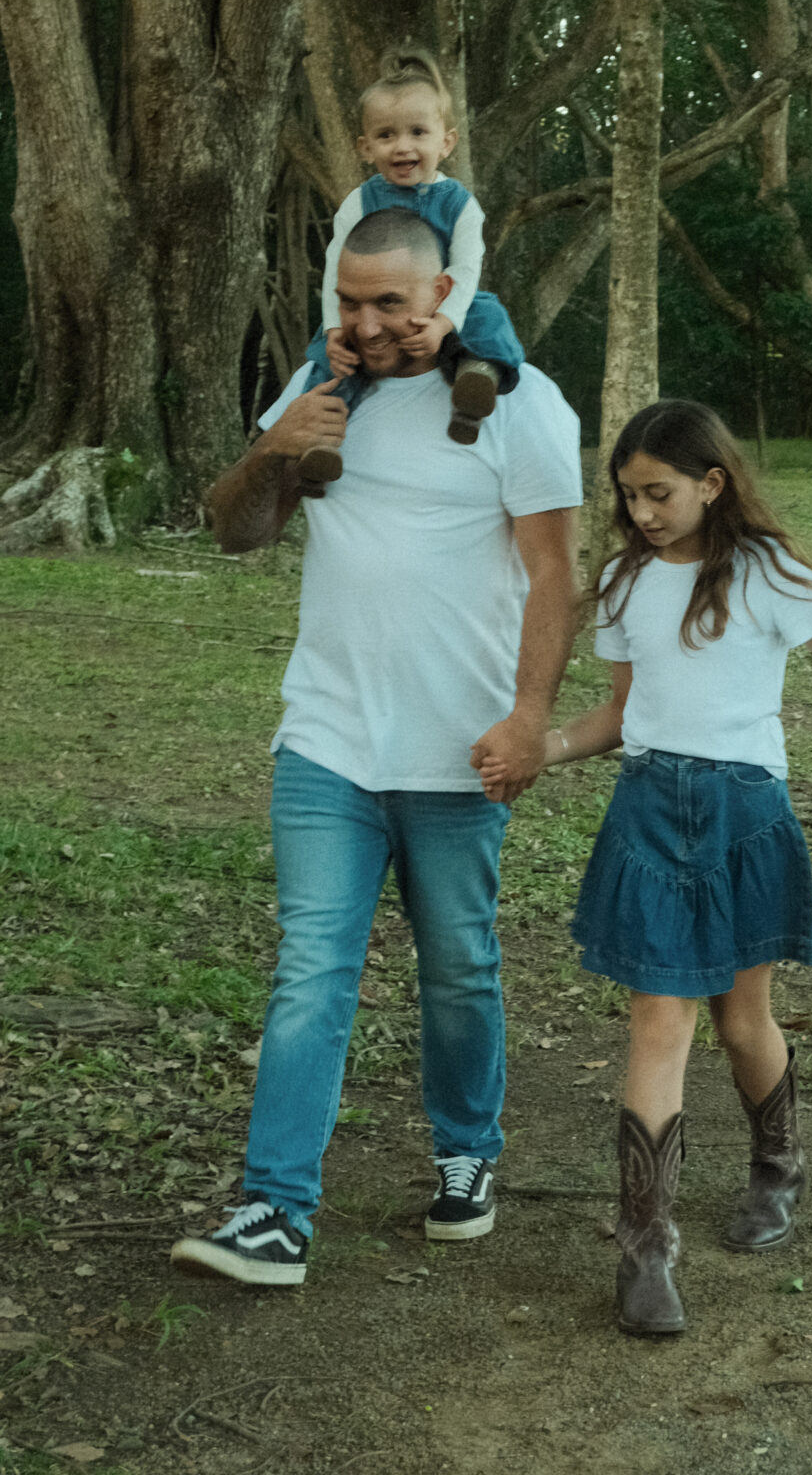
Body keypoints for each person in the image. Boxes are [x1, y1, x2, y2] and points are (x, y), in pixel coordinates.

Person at [495, 398, 812, 1338]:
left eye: (660, 492)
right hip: (649, 812)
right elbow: (620, 714)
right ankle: (646, 1248)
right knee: (659, 1022)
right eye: (629, 495)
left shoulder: (769, 572)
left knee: (740, 1019)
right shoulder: (622, 581)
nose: (642, 511)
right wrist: (542, 748)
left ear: (712, 483)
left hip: (743, 816)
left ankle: (778, 1164)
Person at [170, 207, 581, 1288]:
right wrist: (273, 447)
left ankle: (466, 1153)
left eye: (389, 302)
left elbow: (555, 573)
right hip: (327, 740)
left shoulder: (518, 402)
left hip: (458, 748)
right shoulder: (322, 392)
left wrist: (530, 716)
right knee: (312, 969)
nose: (367, 324)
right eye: (350, 302)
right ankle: (274, 1208)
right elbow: (235, 531)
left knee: (459, 966)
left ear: (442, 294)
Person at [296, 48, 527, 489]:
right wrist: (334, 329)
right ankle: (320, 442)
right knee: (332, 362)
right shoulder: (358, 203)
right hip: (377, 309)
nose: (403, 146)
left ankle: (476, 380)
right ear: (365, 148)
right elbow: (335, 270)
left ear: (446, 142)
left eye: (418, 132)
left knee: (489, 315)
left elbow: (466, 269)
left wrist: (443, 323)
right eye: (386, 135)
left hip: (442, 304)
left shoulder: (460, 205)